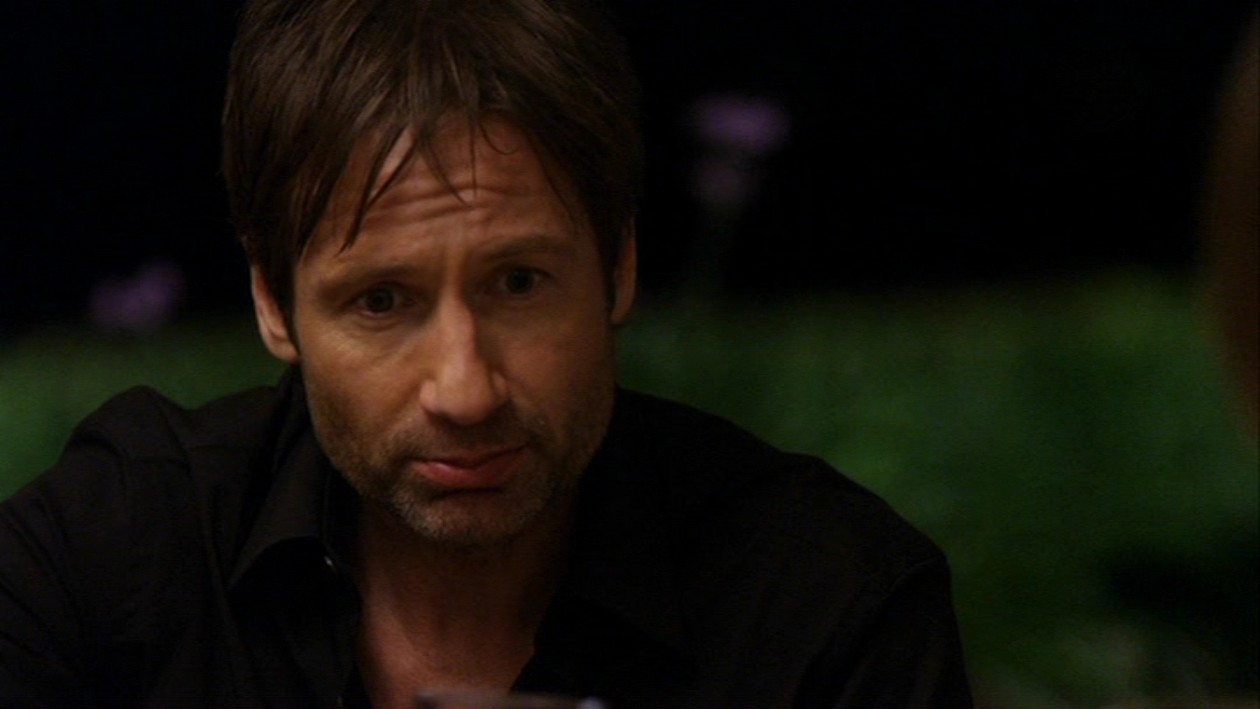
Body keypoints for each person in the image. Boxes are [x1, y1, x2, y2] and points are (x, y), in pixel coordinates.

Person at [0, 0, 973, 706]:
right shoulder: (103, 560)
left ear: (619, 264)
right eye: (382, 300)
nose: (465, 389)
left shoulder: (828, 608)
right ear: (272, 300)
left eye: (519, 283)